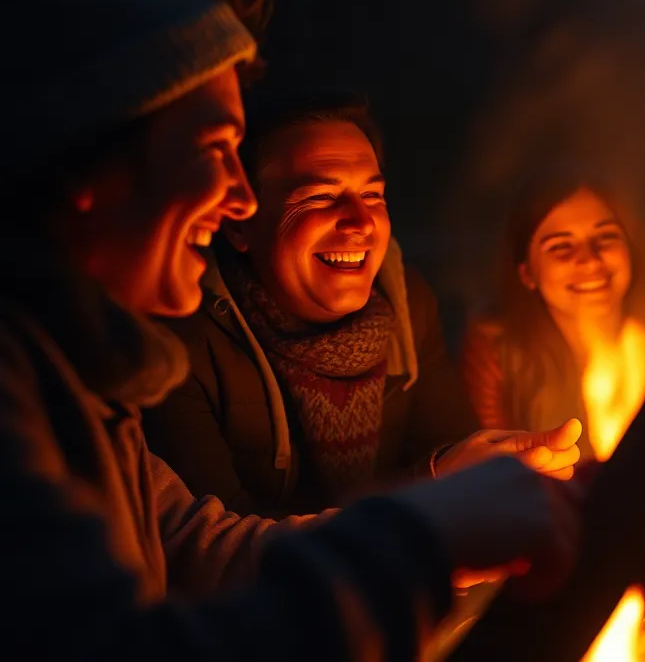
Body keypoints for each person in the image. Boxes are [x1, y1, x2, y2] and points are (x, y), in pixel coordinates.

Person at [0, 0, 577, 659]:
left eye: (373, 193)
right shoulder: (23, 384)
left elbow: (210, 554)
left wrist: (441, 516)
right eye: (215, 151)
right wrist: (424, 531)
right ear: (90, 165)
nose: (237, 199)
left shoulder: (86, 386)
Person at [143, 91, 579, 517]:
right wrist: (434, 485)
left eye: (373, 196)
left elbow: (448, 444)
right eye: (320, 197)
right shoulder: (182, 343)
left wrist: (497, 468)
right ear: (240, 225)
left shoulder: (407, 305)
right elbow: (220, 543)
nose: (360, 221)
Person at [461, 168, 645, 485]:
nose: (589, 260)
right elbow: (486, 480)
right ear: (526, 273)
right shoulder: (496, 347)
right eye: (560, 247)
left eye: (605, 237)